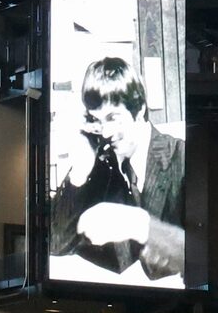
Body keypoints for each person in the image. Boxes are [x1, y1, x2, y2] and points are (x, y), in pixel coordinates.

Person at [45, 56, 186, 280]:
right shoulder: (102, 168)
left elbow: (206, 250)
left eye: (113, 117)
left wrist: (142, 226)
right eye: (97, 120)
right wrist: (82, 168)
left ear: (139, 110)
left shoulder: (182, 157)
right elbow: (55, 244)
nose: (106, 132)